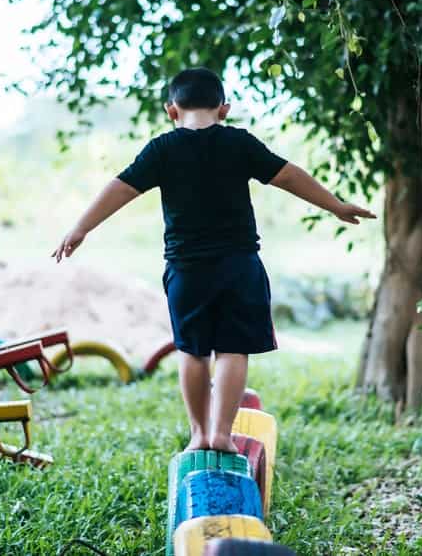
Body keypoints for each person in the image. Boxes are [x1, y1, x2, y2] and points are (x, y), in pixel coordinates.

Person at [53, 67, 375, 452]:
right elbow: (288, 176)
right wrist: (335, 205)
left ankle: (198, 435)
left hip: (187, 271)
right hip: (240, 266)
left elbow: (119, 190)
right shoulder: (240, 143)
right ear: (224, 109)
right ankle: (222, 434)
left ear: (171, 111)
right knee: (233, 350)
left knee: (192, 351)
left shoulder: (161, 150)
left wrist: (80, 229)